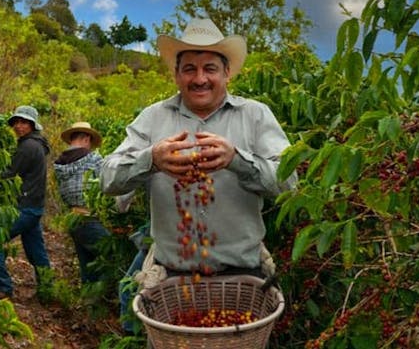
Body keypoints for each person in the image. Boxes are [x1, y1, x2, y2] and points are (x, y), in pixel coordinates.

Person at [100, 17, 296, 327]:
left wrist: (237, 160)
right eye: (189, 68)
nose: (200, 78)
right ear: (176, 75)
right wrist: (151, 159)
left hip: (242, 278)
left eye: (210, 69)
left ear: (227, 73)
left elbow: (289, 183)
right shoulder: (153, 118)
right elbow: (108, 178)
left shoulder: (255, 115)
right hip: (172, 280)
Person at [0, 105, 52, 300]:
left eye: (24, 123)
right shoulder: (37, 144)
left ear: (32, 125)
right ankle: (48, 289)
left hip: (25, 206)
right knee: (35, 250)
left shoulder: (28, 147)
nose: (19, 126)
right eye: (17, 122)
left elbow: (8, 174)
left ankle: (3, 286)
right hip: (34, 206)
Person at [52, 121, 110, 284]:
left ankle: (90, 304)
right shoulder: (93, 158)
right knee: (112, 260)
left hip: (73, 218)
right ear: (86, 138)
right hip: (89, 217)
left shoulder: (60, 163)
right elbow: (109, 184)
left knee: (87, 267)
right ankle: (106, 303)